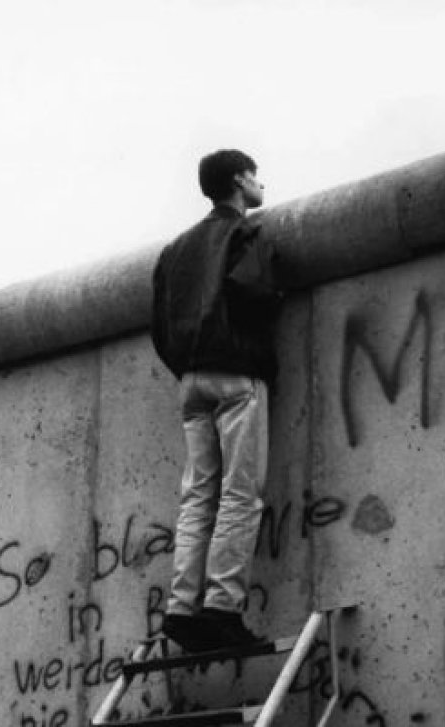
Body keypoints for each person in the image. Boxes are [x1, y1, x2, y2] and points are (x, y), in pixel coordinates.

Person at [151, 149, 281, 652]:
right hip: (235, 375)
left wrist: (188, 364)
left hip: (191, 381)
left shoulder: (175, 250)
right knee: (240, 493)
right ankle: (223, 607)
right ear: (239, 180)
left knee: (197, 495)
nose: (260, 182)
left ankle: (181, 608)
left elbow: (159, 326)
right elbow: (258, 295)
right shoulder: (246, 234)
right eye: (255, 174)